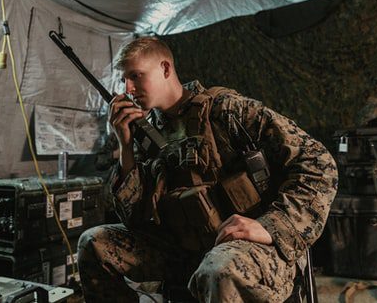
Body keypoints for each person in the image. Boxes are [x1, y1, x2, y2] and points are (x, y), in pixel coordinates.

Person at [77, 36, 338, 302]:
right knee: (93, 243)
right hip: (182, 249)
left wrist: (272, 225)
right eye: (123, 80)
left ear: (165, 69)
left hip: (247, 250)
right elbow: (134, 219)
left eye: (136, 76)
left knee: (219, 269)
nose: (128, 89)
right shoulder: (146, 132)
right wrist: (126, 145)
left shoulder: (228, 111)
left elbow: (318, 163)